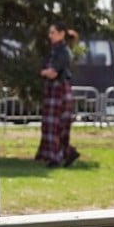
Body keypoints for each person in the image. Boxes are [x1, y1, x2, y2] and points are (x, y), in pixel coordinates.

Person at [36, 22, 80, 168]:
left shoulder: (63, 51)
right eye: (50, 33)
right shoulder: (54, 51)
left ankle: (58, 156)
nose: (50, 36)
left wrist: (45, 72)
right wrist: (44, 72)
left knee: (58, 125)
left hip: (60, 90)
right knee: (50, 125)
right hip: (52, 90)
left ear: (61, 34)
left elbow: (52, 72)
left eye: (53, 32)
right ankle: (65, 154)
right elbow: (43, 68)